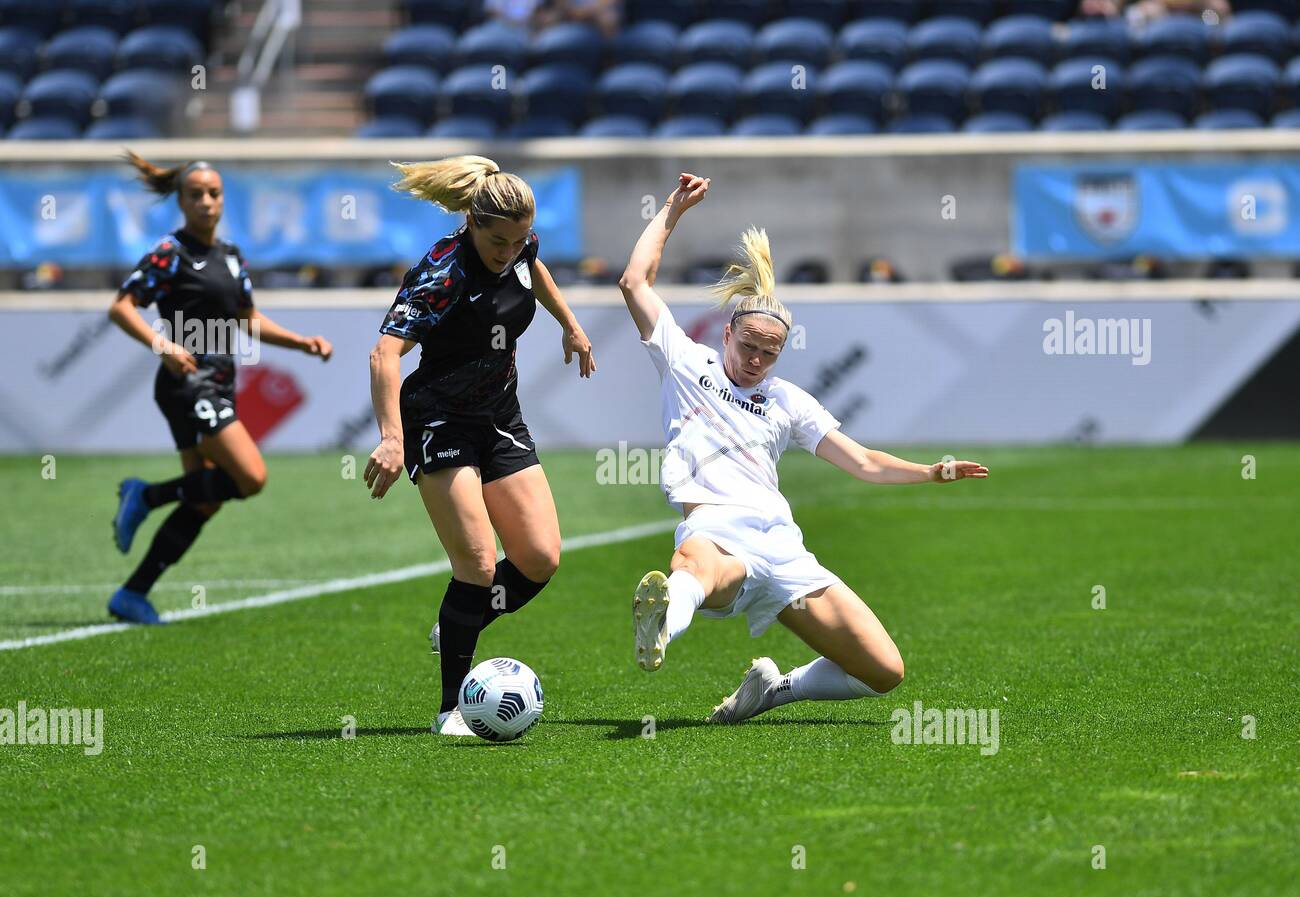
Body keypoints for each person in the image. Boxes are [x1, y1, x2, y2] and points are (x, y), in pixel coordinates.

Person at [619, 173, 989, 724]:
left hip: (784, 546)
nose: (756, 362)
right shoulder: (684, 362)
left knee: (882, 672)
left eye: (770, 353)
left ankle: (777, 689)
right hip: (718, 530)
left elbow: (863, 462)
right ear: (727, 334)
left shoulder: (787, 400)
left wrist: (933, 472)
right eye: (748, 347)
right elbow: (634, 283)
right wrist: (672, 210)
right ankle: (664, 618)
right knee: (699, 569)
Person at [363, 155, 596, 736]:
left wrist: (570, 323)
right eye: (497, 240)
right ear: (471, 221)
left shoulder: (521, 245)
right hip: (439, 421)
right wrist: (392, 438)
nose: (508, 250)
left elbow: (534, 269)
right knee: (477, 564)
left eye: (518, 240)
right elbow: (384, 353)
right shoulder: (442, 272)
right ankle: (451, 709)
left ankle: (460, 624)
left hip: (500, 416)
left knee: (540, 559)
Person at [107, 152, 333, 625]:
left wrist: (300, 342)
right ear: (182, 201)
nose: (207, 202)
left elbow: (247, 319)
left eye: (214, 193)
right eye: (196, 195)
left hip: (220, 381)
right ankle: (144, 496)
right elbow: (122, 307)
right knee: (250, 477)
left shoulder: (230, 255)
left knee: (205, 499)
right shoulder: (170, 252)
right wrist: (162, 344)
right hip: (187, 382)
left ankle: (132, 593)